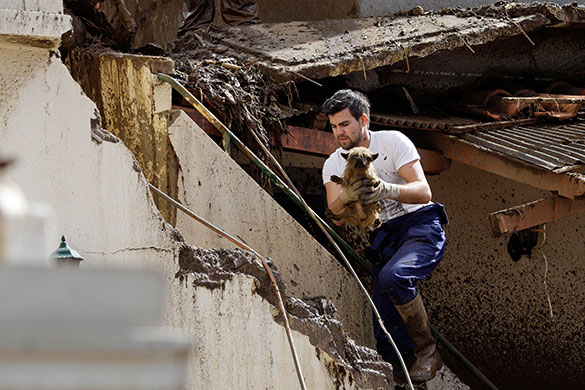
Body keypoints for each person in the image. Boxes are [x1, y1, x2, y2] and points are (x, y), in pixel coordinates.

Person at [321, 89, 448, 383]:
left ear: (363, 120)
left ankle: (429, 350)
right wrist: (346, 197)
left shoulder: (392, 141)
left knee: (395, 277)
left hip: (419, 225)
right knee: (385, 336)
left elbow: (423, 192)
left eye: (344, 124)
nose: (338, 132)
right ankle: (406, 379)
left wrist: (387, 190)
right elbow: (335, 215)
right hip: (383, 235)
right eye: (334, 126)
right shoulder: (333, 164)